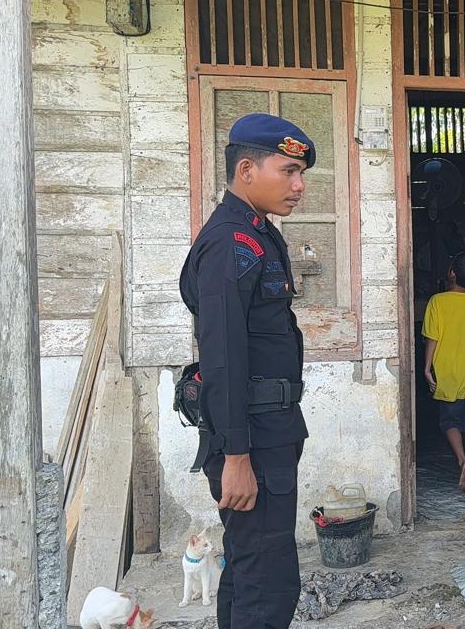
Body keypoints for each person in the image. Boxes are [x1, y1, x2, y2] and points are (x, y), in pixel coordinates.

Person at [179, 113, 313, 629]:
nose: (299, 185)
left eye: (301, 173)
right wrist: (236, 455)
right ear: (247, 171)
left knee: (249, 571)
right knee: (268, 586)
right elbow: (224, 355)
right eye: (289, 171)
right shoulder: (230, 242)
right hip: (250, 441)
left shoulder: (256, 234)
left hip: (268, 432)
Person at [422, 252, 465, 492]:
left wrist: (427, 368)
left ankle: (463, 461)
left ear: (451, 273)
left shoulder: (437, 302)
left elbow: (432, 337)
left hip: (447, 371)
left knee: (450, 420)